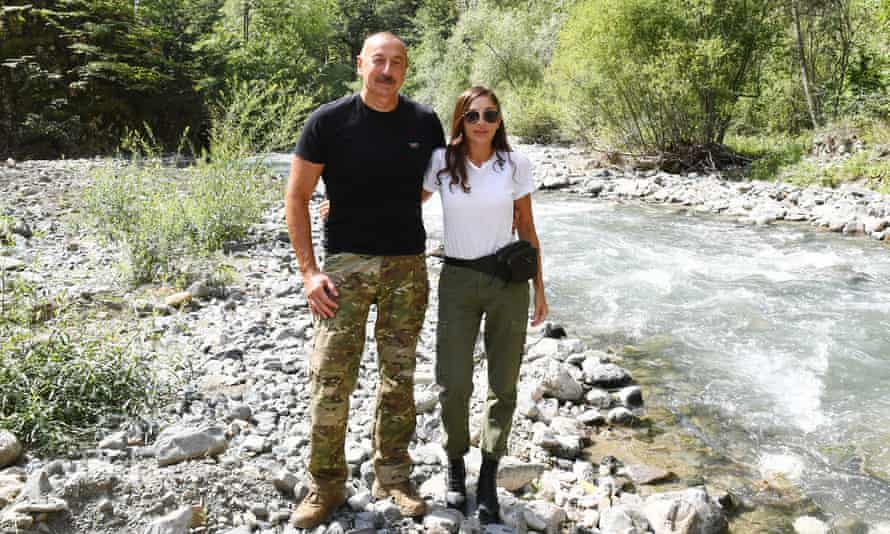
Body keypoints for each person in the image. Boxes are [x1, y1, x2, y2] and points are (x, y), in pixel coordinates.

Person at [284, 32, 445, 529]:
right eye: (379, 60)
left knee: (398, 380)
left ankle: (393, 476)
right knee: (332, 380)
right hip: (344, 268)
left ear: (406, 68)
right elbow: (296, 198)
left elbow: (427, 186)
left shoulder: (424, 122)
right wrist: (310, 273)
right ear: (361, 65)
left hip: (406, 266)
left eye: (397, 62)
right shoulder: (328, 122)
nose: (387, 70)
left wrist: (379, 203)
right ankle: (325, 485)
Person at [421, 86, 548, 524]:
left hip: (506, 282)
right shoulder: (441, 162)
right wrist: (345, 207)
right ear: (460, 119)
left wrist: (541, 289)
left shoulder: (514, 165)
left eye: (489, 115)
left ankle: (489, 474)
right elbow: (402, 204)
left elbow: (527, 229)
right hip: (456, 279)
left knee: (504, 385)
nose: (481, 123)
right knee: (453, 383)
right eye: (472, 115)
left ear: (499, 120)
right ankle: (455, 463)